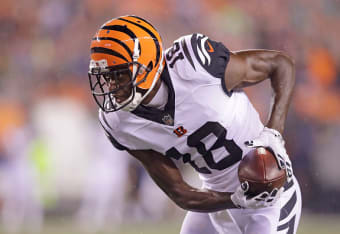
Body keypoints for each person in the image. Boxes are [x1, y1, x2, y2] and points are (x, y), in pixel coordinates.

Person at [87, 15, 302, 234]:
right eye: (105, 76)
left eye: (119, 74)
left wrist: (274, 133)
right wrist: (236, 200)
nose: (111, 85)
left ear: (147, 65)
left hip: (270, 195)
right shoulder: (119, 122)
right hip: (217, 200)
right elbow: (180, 192)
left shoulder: (195, 66)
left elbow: (281, 64)